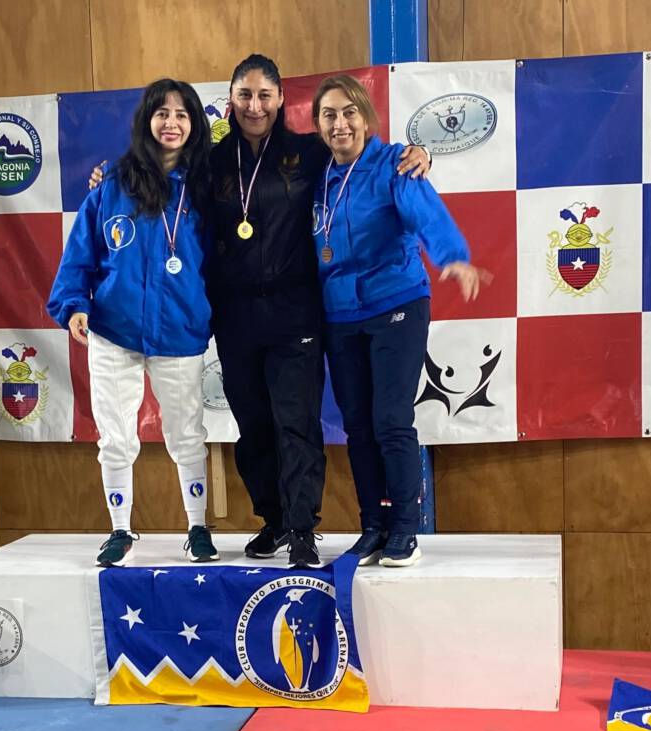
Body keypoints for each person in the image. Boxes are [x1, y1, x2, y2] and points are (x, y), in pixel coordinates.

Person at [87, 57, 429, 569]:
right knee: (254, 426)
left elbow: (359, 154)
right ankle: (273, 520)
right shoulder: (209, 162)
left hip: (296, 312)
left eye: (265, 95)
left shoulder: (308, 151)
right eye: (244, 95)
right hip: (235, 313)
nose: (254, 106)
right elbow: (157, 169)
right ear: (230, 100)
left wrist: (417, 152)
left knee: (297, 423)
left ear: (280, 99)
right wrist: (107, 174)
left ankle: (302, 529)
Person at [312, 74, 482, 567]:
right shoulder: (316, 178)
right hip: (340, 313)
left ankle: (406, 527)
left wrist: (451, 254)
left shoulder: (395, 163)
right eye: (329, 115)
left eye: (349, 112)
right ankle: (373, 526)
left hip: (395, 303)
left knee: (390, 418)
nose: (340, 124)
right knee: (358, 425)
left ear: (366, 118)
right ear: (318, 125)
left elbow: (422, 210)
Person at [47, 79, 218, 567]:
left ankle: (198, 528)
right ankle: (120, 530)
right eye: (162, 113)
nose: (171, 123)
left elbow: (225, 262)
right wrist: (74, 304)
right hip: (114, 330)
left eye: (182, 114)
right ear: (146, 121)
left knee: (186, 434)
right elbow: (82, 252)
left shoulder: (209, 188)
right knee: (116, 436)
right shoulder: (113, 184)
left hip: (179, 329)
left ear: (195, 123)